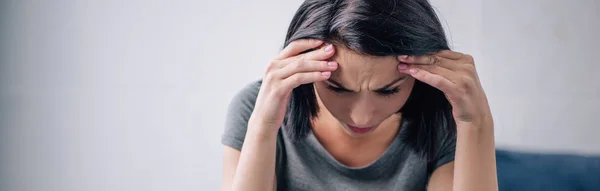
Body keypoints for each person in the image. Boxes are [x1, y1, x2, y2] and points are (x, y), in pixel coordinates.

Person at [221, 0, 498, 190]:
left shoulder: (441, 119)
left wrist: (477, 124)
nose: (361, 116)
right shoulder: (253, 108)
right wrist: (263, 127)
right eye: (337, 88)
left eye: (389, 90)